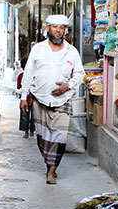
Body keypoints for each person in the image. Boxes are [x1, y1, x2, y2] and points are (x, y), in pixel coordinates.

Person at [20, 14, 84, 184]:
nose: (58, 31)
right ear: (48, 29)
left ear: (65, 31)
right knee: (42, 137)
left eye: (61, 28)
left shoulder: (72, 51)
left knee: (59, 136)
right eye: (55, 27)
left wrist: (68, 85)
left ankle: (51, 170)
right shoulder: (38, 49)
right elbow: (28, 74)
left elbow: (79, 74)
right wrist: (23, 96)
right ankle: (49, 163)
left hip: (63, 100)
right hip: (40, 98)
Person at [17, 57, 35, 138]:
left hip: (25, 99)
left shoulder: (21, 76)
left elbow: (18, 87)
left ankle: (26, 132)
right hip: (34, 99)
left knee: (25, 115)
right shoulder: (35, 76)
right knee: (34, 115)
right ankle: (32, 131)